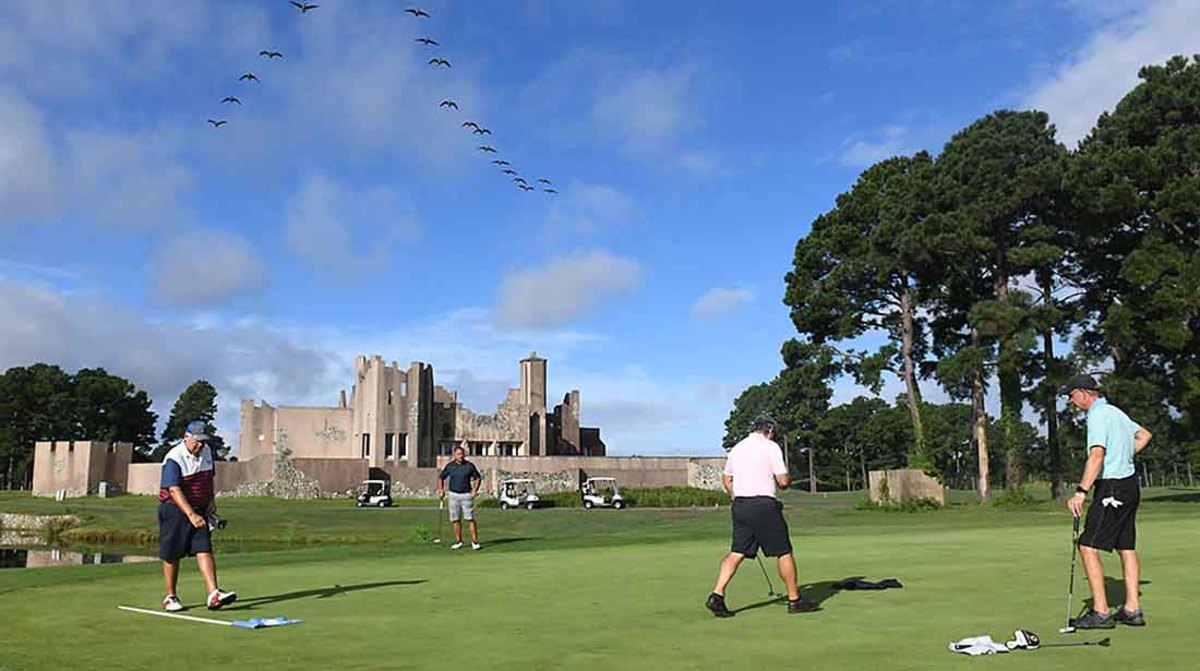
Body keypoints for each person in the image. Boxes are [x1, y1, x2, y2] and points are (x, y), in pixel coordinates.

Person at [1062, 374, 1152, 629]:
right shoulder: (1116, 413)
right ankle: (1132, 609)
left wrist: (1081, 491)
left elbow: (1097, 456)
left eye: (1071, 395)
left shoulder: (1098, 415)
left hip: (1112, 486)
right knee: (1126, 546)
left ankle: (1101, 612)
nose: (1070, 401)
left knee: (1087, 545)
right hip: (1130, 485)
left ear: (1083, 392)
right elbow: (1145, 435)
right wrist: (1123, 454)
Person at [705, 414, 817, 617]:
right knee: (784, 552)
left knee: (736, 552)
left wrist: (734, 496)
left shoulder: (737, 448)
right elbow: (783, 482)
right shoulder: (770, 447)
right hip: (764, 505)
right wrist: (787, 479)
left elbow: (726, 479)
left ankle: (717, 595)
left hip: (741, 505)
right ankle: (795, 600)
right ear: (769, 430)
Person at [158, 420, 237, 611]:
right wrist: (191, 514)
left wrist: (210, 503)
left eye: (203, 441)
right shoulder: (174, 458)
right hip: (174, 509)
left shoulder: (207, 451)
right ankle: (170, 597)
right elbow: (174, 490)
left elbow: (208, 479)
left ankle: (214, 594)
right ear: (186, 437)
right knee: (172, 554)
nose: (201, 445)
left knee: (204, 547)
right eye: (197, 441)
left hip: (199, 508)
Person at [437, 445, 482, 550]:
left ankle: (475, 542)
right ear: (454, 455)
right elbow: (441, 477)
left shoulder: (469, 466)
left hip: (466, 495)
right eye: (458, 454)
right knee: (455, 519)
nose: (460, 456)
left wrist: (475, 490)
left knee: (470, 518)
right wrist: (441, 490)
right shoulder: (450, 466)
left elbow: (478, 478)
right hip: (453, 495)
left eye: (462, 454)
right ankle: (458, 541)